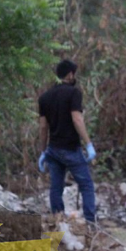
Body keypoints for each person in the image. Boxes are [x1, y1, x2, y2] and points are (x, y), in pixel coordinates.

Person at [38, 59, 97, 226]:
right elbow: (77, 119)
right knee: (86, 185)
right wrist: (88, 144)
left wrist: (43, 152)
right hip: (70, 148)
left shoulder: (45, 97)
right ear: (70, 74)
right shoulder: (73, 93)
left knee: (56, 187)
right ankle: (91, 225)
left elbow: (43, 127)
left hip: (53, 149)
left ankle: (58, 222)